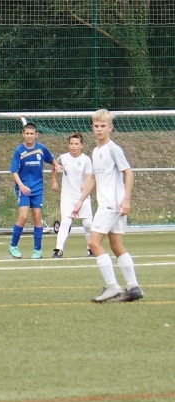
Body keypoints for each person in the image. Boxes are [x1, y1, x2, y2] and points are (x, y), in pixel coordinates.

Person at [72, 109, 143, 303]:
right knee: (116, 245)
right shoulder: (96, 152)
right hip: (109, 205)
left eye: (103, 126)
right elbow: (93, 178)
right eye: (96, 126)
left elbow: (129, 173)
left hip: (112, 205)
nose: (99, 129)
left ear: (110, 128)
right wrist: (80, 201)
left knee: (93, 243)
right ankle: (133, 287)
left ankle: (112, 286)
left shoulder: (113, 149)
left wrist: (126, 199)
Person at [8, 122, 58, 259]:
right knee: (23, 217)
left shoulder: (41, 149)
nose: (29, 136)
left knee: (37, 217)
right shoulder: (19, 151)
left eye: (32, 134)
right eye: (27, 133)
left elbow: (51, 159)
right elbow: (14, 171)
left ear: (36, 135)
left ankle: (37, 250)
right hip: (23, 188)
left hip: (38, 188)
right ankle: (13, 246)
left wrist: (57, 165)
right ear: (23, 134)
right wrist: (21, 186)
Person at [51, 132, 94, 258]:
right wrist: (54, 180)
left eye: (76, 144)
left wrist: (86, 183)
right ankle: (59, 249)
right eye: (71, 144)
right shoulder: (63, 158)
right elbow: (54, 167)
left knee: (88, 224)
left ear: (82, 145)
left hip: (83, 197)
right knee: (65, 222)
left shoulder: (86, 159)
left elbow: (90, 176)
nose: (73, 146)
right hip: (67, 197)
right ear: (68, 145)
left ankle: (91, 249)